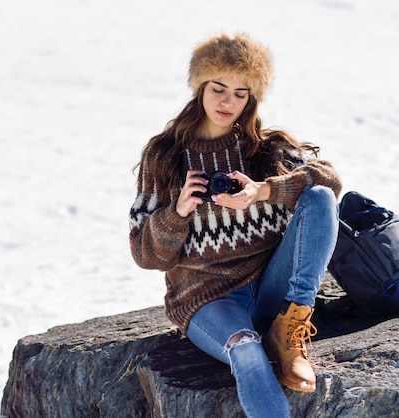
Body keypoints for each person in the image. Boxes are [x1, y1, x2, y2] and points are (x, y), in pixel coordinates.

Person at [129, 32, 342, 417]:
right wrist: (176, 214)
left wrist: (262, 191)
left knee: (319, 198)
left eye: (241, 92)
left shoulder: (264, 148)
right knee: (245, 350)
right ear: (200, 87)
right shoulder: (164, 156)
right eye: (219, 88)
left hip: (271, 288)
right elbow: (145, 255)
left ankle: (290, 326)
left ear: (252, 98)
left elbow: (330, 183)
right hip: (209, 299)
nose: (228, 102)